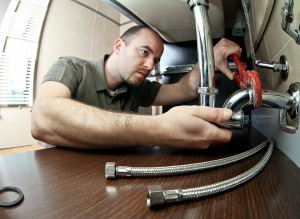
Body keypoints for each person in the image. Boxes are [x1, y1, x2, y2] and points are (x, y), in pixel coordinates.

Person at [31, 25, 242, 150]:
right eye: (144, 52)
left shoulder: (137, 87)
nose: (151, 66)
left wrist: (207, 59)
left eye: (156, 59)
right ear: (118, 46)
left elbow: (185, 88)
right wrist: (160, 129)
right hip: (61, 176)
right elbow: (42, 119)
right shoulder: (72, 68)